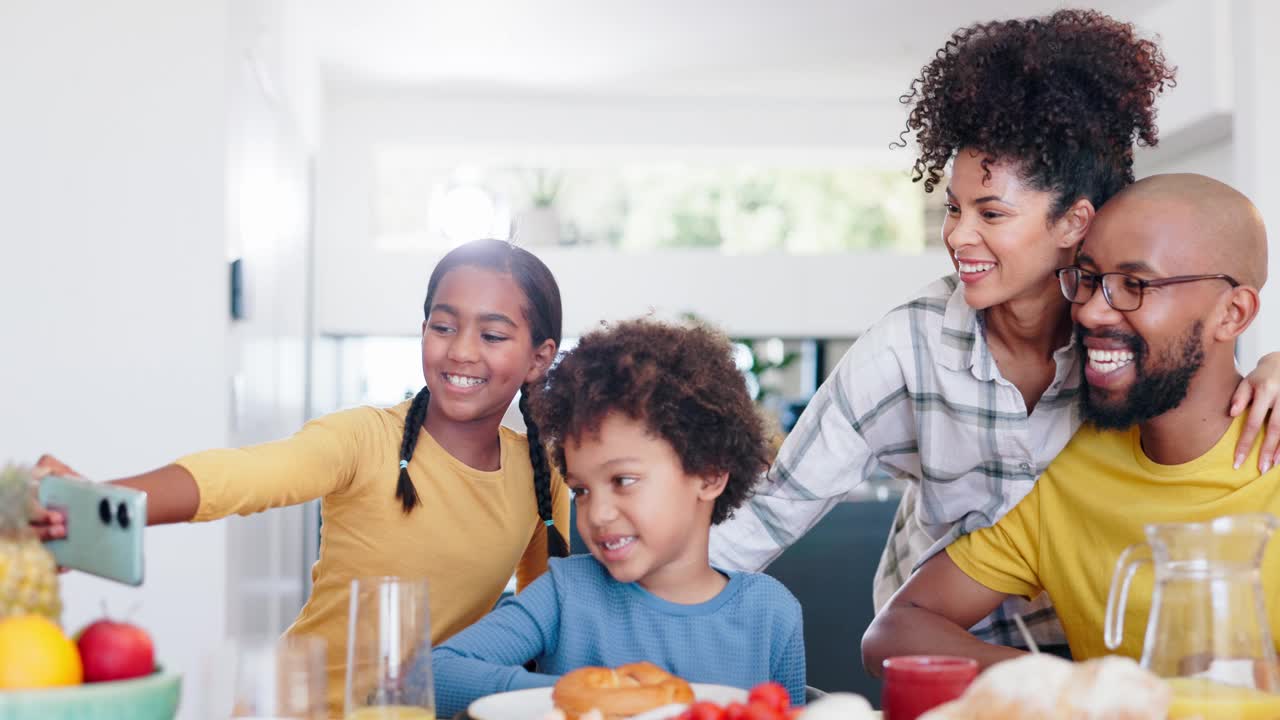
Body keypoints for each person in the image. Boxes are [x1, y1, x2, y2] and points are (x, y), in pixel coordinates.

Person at [708, 8, 1280, 653]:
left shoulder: (1116, 340)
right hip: (947, 651)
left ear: (1073, 223)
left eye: (991, 212)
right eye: (953, 208)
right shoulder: (909, 349)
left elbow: (1203, 359)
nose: (956, 235)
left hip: (1096, 654)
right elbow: (765, 516)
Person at [32, 238, 570, 715]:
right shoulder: (365, 439)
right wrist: (98, 501)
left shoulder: (541, 475)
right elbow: (243, 476)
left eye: (493, 335)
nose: (461, 350)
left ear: (539, 358)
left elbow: (547, 617)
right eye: (443, 325)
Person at [861, 174, 1280, 670]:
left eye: (1134, 285)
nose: (1091, 313)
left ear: (1232, 313)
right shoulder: (1061, 470)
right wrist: (1068, 686)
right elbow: (897, 628)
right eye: (1087, 279)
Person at [420, 319, 806, 718]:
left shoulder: (771, 613)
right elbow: (437, 675)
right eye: (581, 491)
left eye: (623, 480)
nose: (597, 514)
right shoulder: (566, 593)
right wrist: (598, 697)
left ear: (708, 474)